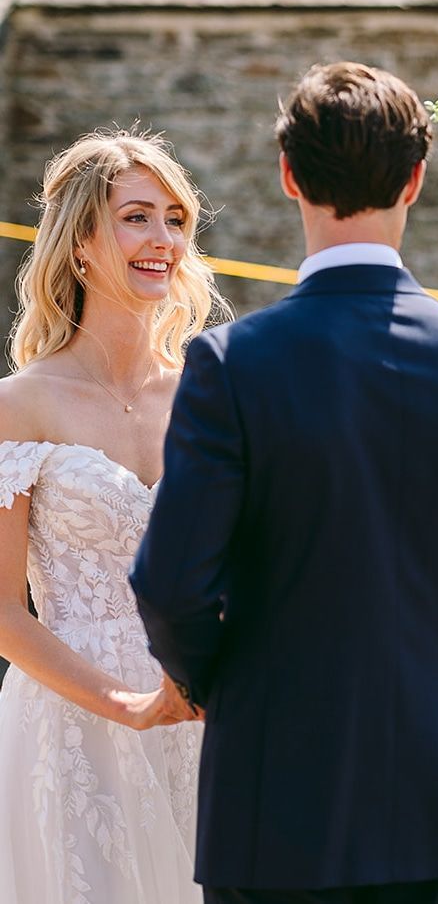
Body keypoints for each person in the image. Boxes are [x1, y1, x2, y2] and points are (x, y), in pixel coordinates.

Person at [130, 61, 438, 904]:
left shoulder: (233, 365)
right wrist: (436, 664)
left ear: (289, 174)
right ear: (416, 178)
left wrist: (223, 680)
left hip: (271, 802)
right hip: (430, 798)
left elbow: (170, 581)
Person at [0, 130, 226, 903]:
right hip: (70, 733)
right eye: (137, 216)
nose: (162, 239)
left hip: (201, 723)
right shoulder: (20, 404)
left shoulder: (211, 392)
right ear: (82, 242)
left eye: (175, 218)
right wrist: (123, 705)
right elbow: (1, 608)